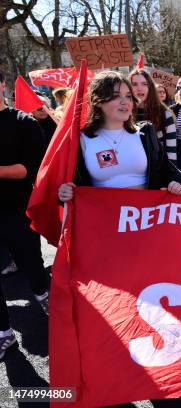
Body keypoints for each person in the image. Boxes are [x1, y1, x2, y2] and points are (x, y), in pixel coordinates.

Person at [58, 71, 181, 203]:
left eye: (129, 96)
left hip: (145, 218)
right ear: (97, 101)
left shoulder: (145, 134)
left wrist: (175, 183)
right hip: (104, 219)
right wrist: (64, 193)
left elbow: (169, 171)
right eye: (116, 96)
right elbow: (68, 185)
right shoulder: (81, 140)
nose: (125, 102)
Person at [0, 70, 50, 359]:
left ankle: (44, 296)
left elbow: (28, 170)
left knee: (32, 265)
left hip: (18, 212)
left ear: (3, 84)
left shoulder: (24, 122)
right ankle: (4, 333)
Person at [128, 69, 177, 164]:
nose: (139, 88)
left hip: (157, 172)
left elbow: (171, 153)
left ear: (150, 87)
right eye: (134, 84)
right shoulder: (123, 114)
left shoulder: (165, 114)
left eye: (144, 84)